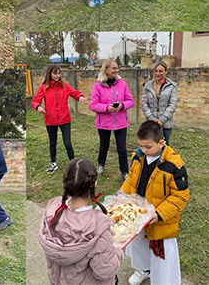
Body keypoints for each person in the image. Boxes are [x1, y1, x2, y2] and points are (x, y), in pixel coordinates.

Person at [120, 121, 189, 285]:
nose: (144, 150)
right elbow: (131, 180)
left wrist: (159, 214)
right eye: (141, 146)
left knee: (161, 257)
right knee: (139, 246)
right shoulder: (138, 157)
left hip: (160, 221)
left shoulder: (174, 166)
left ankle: (163, 280)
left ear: (161, 142)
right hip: (139, 215)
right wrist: (122, 195)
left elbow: (180, 197)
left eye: (148, 147)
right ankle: (143, 269)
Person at [39, 158, 122, 285]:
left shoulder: (52, 209)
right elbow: (105, 271)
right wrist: (117, 250)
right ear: (94, 184)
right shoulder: (98, 225)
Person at [32, 65, 86, 174]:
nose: (57, 76)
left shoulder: (64, 86)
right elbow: (35, 101)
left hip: (65, 119)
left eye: (58, 73)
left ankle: (73, 165)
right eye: (55, 73)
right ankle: (53, 164)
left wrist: (79, 96)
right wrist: (39, 107)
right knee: (53, 143)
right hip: (50, 120)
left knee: (67, 143)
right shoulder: (43, 87)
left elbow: (74, 92)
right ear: (49, 74)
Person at [88, 59, 135, 181]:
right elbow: (92, 105)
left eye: (117, 68)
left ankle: (124, 172)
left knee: (122, 149)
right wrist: (106, 108)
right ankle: (101, 165)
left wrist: (122, 105)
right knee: (104, 146)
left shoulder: (122, 84)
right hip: (104, 123)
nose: (116, 70)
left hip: (121, 123)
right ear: (106, 69)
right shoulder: (97, 86)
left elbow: (131, 101)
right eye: (114, 68)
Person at [141, 62, 178, 146]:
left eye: (160, 71)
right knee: (150, 146)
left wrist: (162, 120)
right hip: (151, 122)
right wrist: (152, 119)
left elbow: (172, 104)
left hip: (166, 123)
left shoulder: (171, 86)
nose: (158, 74)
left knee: (164, 146)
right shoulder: (147, 86)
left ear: (166, 72)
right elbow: (144, 103)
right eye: (156, 71)